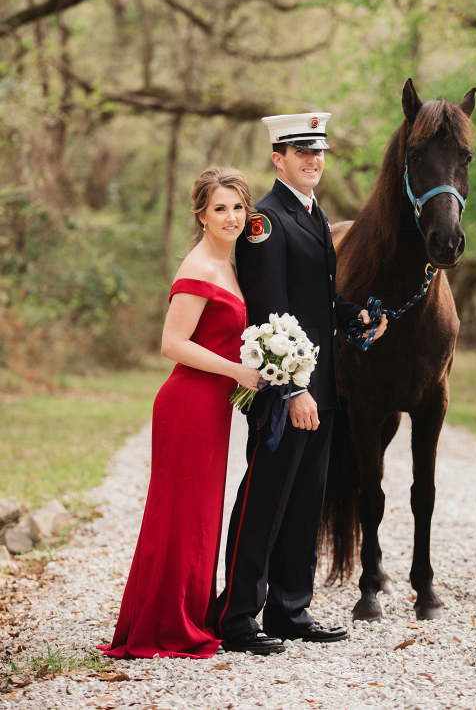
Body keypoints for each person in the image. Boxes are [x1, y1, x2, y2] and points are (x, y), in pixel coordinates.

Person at [214, 112, 387, 655]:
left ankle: (291, 610)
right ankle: (238, 617)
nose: (315, 160)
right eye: (301, 152)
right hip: (283, 393)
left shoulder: (313, 215)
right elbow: (270, 314)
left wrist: (353, 315)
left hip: (323, 388)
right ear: (278, 159)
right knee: (265, 499)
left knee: (306, 500)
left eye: (319, 152)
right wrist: (293, 391)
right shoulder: (265, 221)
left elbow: (312, 302)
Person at [99, 167, 260, 660]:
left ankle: (188, 614)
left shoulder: (228, 263)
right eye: (220, 209)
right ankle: (166, 624)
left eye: (237, 207)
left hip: (211, 408)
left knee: (198, 515)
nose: (231, 217)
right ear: (201, 215)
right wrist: (238, 371)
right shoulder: (198, 268)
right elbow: (171, 344)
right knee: (179, 515)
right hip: (188, 403)